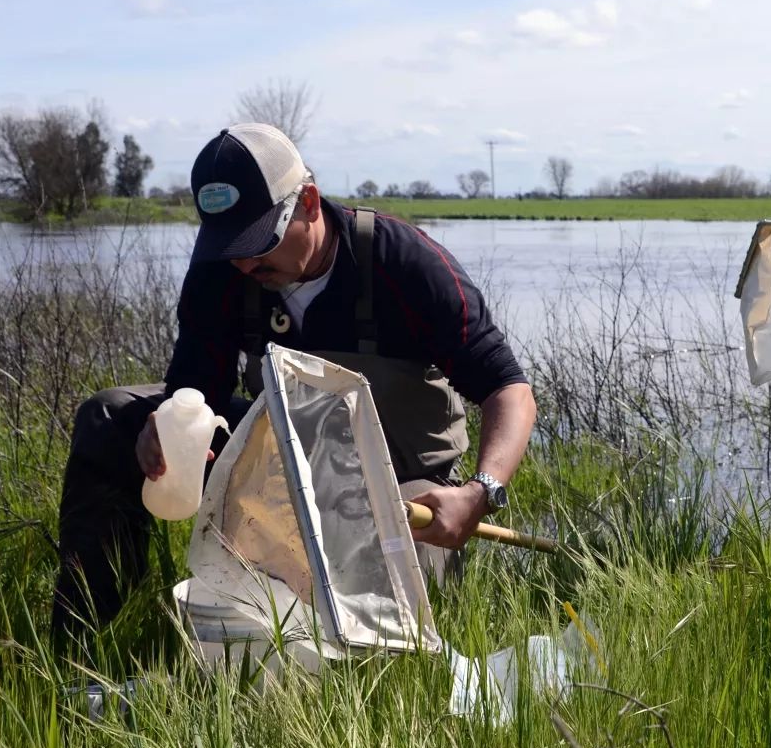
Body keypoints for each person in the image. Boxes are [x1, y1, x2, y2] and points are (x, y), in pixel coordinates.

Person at [52, 122, 536, 649]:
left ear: (307, 201)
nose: (245, 263)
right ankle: (85, 651)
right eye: (229, 244)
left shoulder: (404, 264)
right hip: (280, 465)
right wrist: (169, 426)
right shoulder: (224, 271)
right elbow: (197, 391)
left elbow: (508, 389)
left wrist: (480, 493)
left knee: (359, 612)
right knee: (108, 418)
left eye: (258, 242)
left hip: (398, 492)